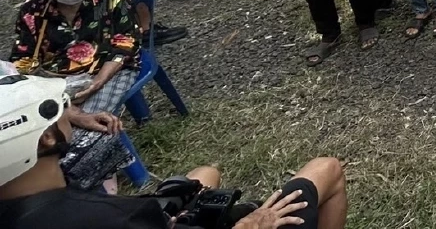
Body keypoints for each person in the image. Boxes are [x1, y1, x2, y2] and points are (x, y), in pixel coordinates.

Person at [0, 72, 350, 229]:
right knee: (326, 168)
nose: (70, 117)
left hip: (158, 214)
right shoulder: (115, 220)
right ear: (46, 138)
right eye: (63, 109)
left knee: (203, 175)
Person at [8, 0, 138, 190]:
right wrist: (66, 106)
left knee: (93, 127)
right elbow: (23, 61)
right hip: (53, 78)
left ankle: (83, 184)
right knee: (38, 129)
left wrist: (97, 82)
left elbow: (125, 44)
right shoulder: (33, 10)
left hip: (111, 69)